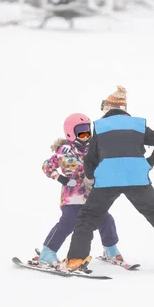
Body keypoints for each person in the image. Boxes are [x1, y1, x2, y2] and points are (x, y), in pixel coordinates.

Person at [59, 86, 154, 273]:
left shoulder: (101, 126)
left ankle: (76, 260)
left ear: (107, 108)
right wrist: (148, 163)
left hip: (106, 180)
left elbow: (91, 158)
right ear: (124, 109)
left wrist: (91, 176)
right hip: (137, 180)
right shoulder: (137, 125)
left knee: (87, 218)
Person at [32, 112, 125, 267]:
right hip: (72, 196)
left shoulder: (94, 149)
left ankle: (110, 250)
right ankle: (47, 252)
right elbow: (47, 166)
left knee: (106, 220)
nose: (86, 137)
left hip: (92, 194)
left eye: (88, 132)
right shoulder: (64, 151)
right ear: (71, 133)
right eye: (81, 134)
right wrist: (61, 178)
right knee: (69, 221)